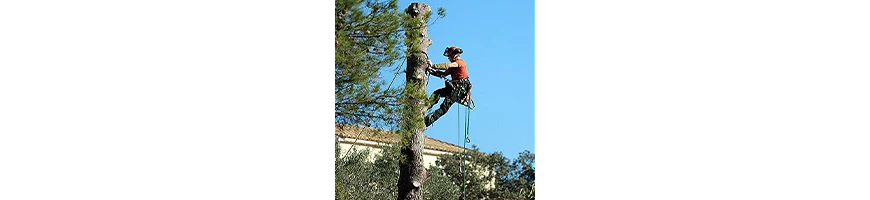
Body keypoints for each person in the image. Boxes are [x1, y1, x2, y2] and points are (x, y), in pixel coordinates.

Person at [425, 46, 473, 127]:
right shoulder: (453, 67)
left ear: (454, 55)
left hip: (459, 90)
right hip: (453, 88)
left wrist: (433, 65)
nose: (448, 58)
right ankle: (426, 105)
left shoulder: (460, 62)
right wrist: (432, 71)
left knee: (444, 107)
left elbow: (447, 65)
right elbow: (443, 74)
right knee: (438, 93)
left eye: (449, 56)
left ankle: (429, 121)